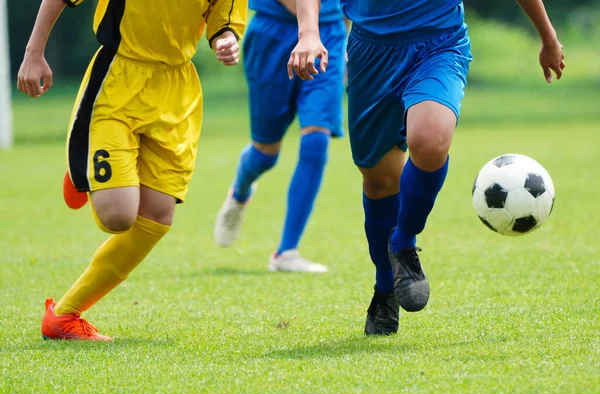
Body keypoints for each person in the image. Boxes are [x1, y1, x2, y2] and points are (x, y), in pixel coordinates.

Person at [288, 0, 565, 335]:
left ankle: (403, 242)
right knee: (379, 182)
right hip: (371, 52)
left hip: (439, 44)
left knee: (430, 142)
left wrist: (548, 36)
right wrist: (308, 33)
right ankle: (385, 287)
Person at [17, 0, 247, 340]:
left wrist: (225, 40)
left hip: (177, 90)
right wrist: (34, 52)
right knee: (118, 217)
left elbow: (221, 22)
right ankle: (85, 168)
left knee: (157, 218)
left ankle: (63, 317)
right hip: (119, 77)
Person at [213, 0, 347, 273]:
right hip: (272, 35)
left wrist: (346, 38)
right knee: (265, 154)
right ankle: (239, 192)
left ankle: (286, 251)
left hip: (329, 34)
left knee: (316, 140)